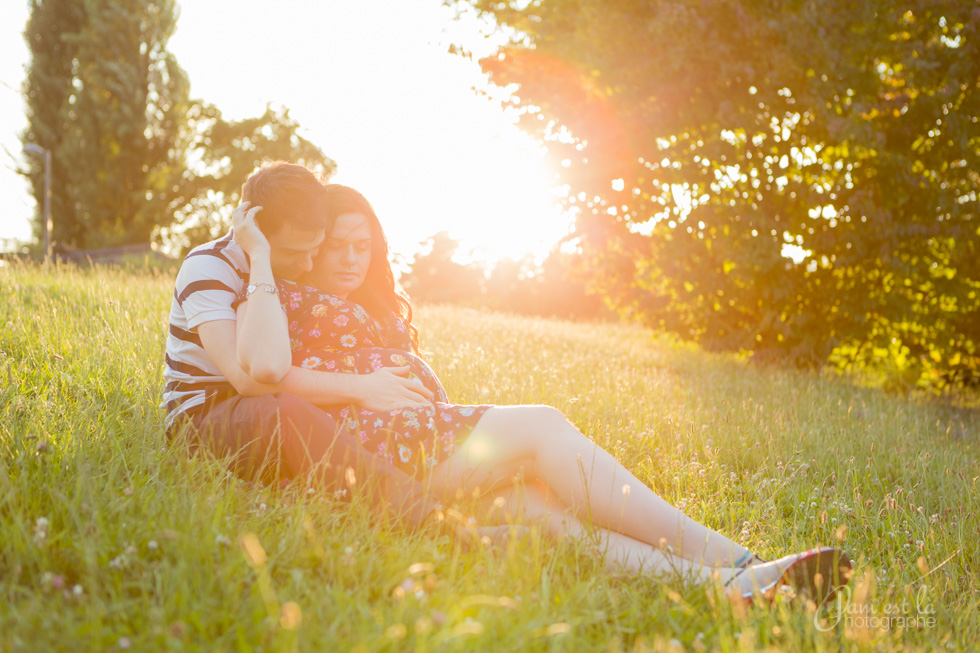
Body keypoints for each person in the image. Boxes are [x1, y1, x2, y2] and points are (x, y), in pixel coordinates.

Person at [232, 181, 854, 602]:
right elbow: (263, 371)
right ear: (307, 248)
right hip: (371, 448)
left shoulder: (374, 307)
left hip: (415, 446)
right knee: (541, 426)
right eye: (335, 246)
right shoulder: (278, 295)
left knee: (542, 513)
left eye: (361, 246)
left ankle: (726, 590)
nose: (348, 258)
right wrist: (262, 261)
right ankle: (740, 561)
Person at [162, 162, 454, 528]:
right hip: (205, 420)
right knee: (285, 412)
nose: (308, 262)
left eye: (315, 248)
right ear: (257, 232)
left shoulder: (290, 270)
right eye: (294, 252)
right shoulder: (207, 267)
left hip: (259, 408)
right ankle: (430, 518)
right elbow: (250, 380)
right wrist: (362, 388)